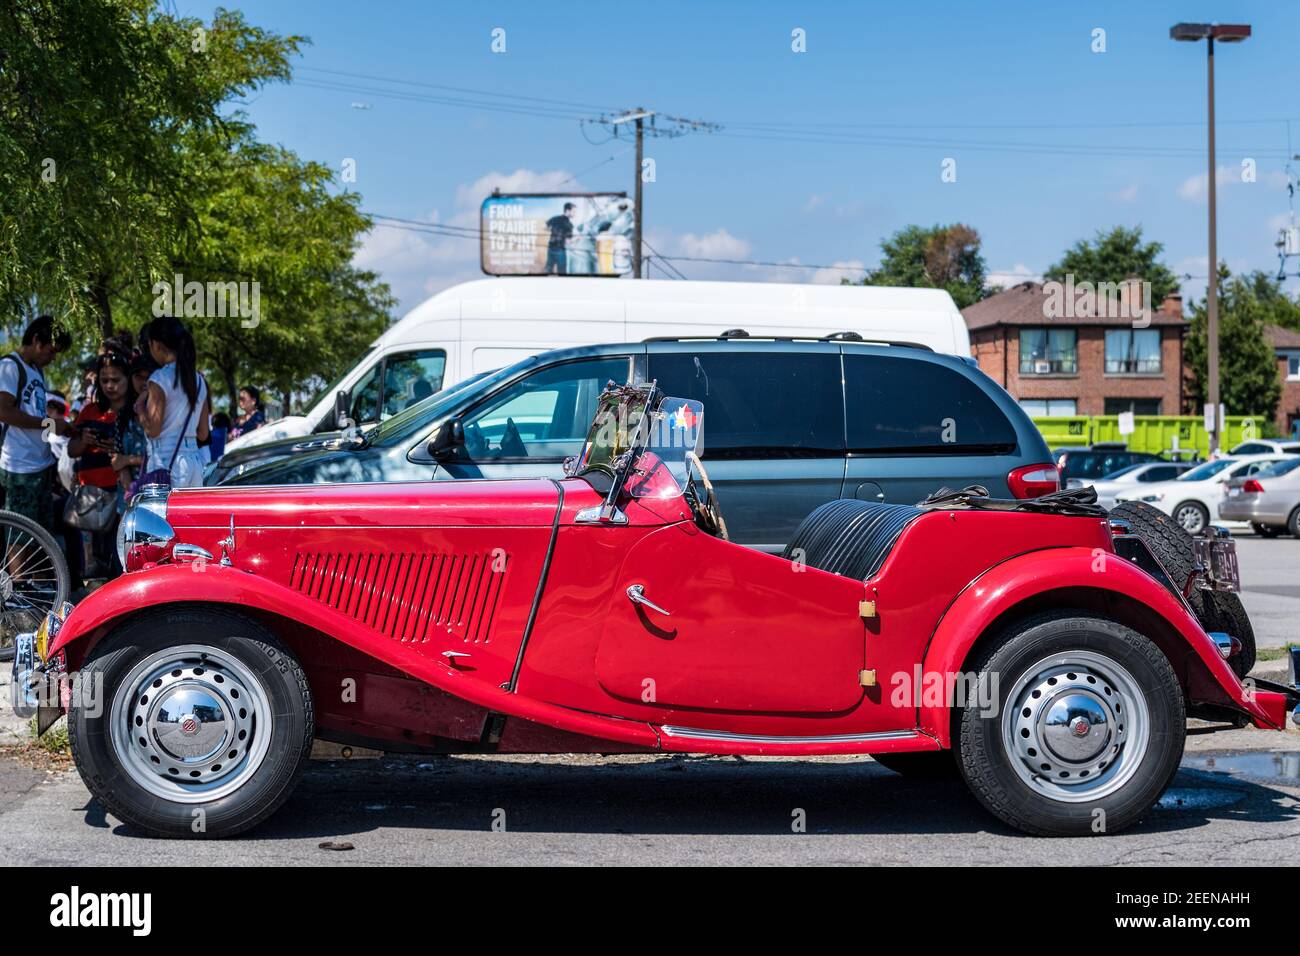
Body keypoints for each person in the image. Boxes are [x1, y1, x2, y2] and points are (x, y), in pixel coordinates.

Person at [67, 351, 136, 578]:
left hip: (124, 493)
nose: (109, 386)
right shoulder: (89, 411)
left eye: (115, 380)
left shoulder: (137, 412)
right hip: (92, 496)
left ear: (128, 378)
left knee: (121, 554)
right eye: (104, 380)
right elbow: (71, 449)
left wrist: (118, 451)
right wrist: (84, 441)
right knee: (97, 560)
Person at [0, 315, 72, 529]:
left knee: (39, 536)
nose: (53, 358)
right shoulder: (10, 366)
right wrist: (49, 424)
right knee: (20, 537)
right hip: (20, 467)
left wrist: (58, 428)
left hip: (40, 464)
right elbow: (3, 411)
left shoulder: (36, 371)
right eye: (51, 351)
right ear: (36, 341)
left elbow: (36, 418)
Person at [136, 317, 210, 488]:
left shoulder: (159, 379)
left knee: (162, 515)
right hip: (194, 462)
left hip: (165, 460)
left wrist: (140, 409)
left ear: (155, 344)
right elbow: (203, 434)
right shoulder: (199, 380)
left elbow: (153, 430)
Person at [544, 202, 575, 275]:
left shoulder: (555, 218)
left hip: (550, 248)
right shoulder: (569, 225)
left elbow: (544, 226)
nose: (575, 213)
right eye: (574, 211)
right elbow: (568, 242)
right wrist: (578, 239)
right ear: (567, 211)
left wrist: (552, 230)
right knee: (562, 272)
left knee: (548, 269)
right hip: (560, 251)